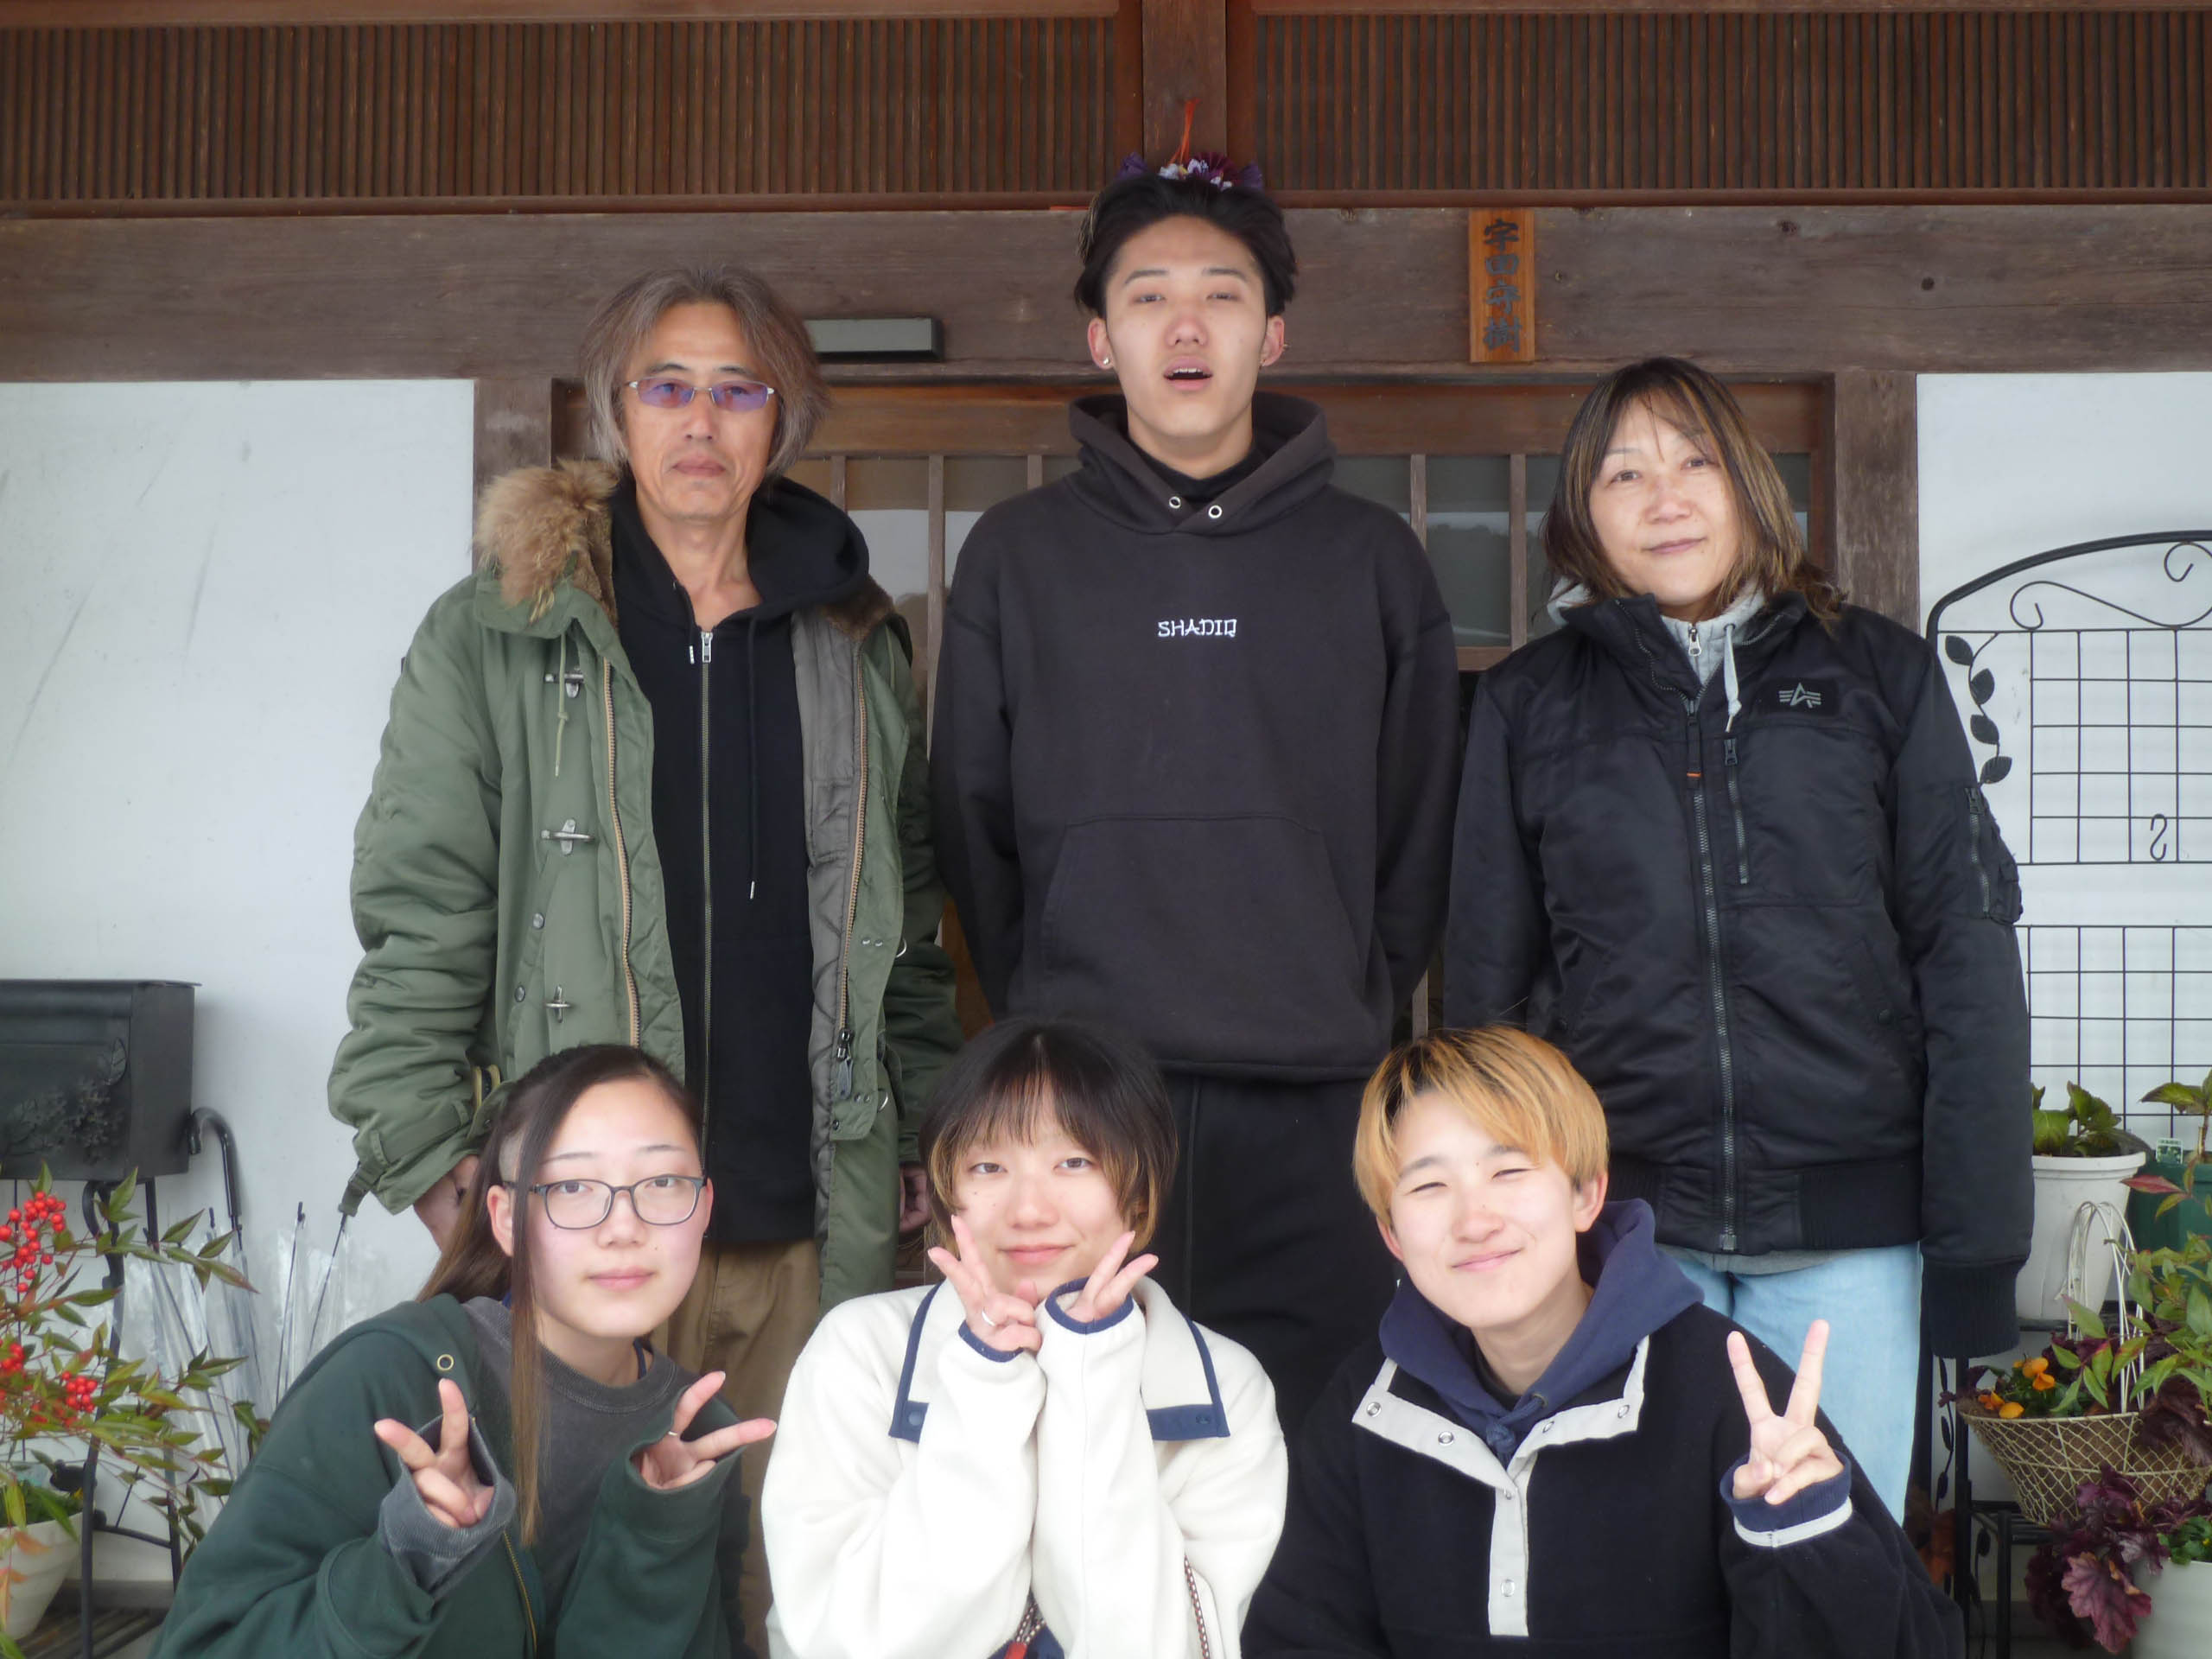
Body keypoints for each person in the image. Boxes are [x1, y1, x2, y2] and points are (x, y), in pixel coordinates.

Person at [327, 265, 963, 1649]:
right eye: (667, 385)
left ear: (783, 419)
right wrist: (432, 1154)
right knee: (577, 1571)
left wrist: (925, 1127)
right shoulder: (504, 627)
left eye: (739, 390)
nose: (701, 420)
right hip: (588, 1216)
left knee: (798, 1576)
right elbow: (421, 905)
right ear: (617, 411)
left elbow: (905, 924)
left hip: (810, 1218)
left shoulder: (851, 638)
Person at [1442, 355, 2031, 1522]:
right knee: (1640, 1567)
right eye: (1623, 473)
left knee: (1829, 1551)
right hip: (1624, 1230)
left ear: (1752, 486)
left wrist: (1976, 1251)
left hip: (1850, 1235)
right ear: (1583, 515)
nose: (1664, 497)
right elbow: (1487, 992)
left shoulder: (1877, 676)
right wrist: (1501, 1226)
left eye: (1694, 461)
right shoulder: (1529, 704)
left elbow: (1965, 954)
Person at [930, 145, 1459, 1432]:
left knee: (1314, 1442)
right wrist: (1046, 1008)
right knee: (1088, 1439)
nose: (1185, 325)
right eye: (1148, 295)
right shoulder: (1017, 555)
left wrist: (1352, 994)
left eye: (1222, 296)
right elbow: (971, 822)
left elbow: (1419, 825)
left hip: (1316, 1099)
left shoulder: (1371, 558)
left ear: (1271, 335)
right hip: (1088, 1106)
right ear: (1099, 338)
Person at [1244, 1027, 1963, 1656]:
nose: (1475, 1220)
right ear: (1392, 1235)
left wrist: (1805, 1535)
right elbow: (1302, 1636)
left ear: (1586, 1192)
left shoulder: (1727, 1393)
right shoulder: (1366, 1407)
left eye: (1509, 1170)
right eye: (1429, 1188)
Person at [158, 1045, 769, 1659]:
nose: (623, 1227)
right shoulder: (388, 1380)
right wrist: (406, 1560)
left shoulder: (699, 1435)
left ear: (705, 1207)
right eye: (573, 1186)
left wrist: (656, 1539)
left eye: (662, 1182)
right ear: (505, 1219)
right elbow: (203, 1647)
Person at [762, 1016, 1287, 1659]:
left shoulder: (1227, 1387)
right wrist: (983, 1380)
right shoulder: (860, 1352)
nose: (1030, 1210)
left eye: (1074, 1161)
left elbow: (1149, 1646)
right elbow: (862, 1645)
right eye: (988, 1166)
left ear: (1140, 1193)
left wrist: (1092, 1373)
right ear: (947, 1193)